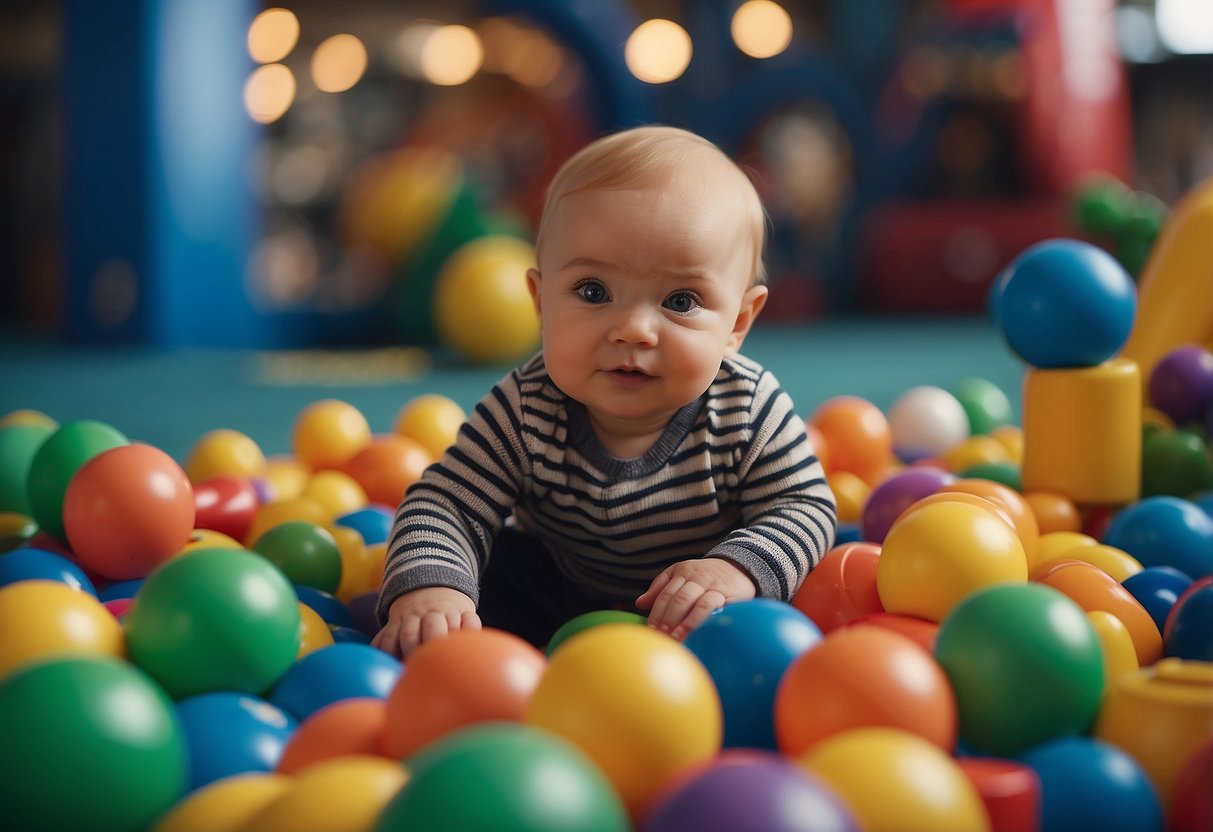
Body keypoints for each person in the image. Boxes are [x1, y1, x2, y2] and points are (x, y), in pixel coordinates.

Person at [372, 125, 836, 659]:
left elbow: (804, 506)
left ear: (737, 322)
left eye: (681, 301)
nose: (633, 329)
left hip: (699, 619)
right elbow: (446, 502)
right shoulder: (526, 406)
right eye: (594, 292)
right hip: (557, 598)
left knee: (775, 607)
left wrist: (734, 568)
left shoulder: (747, 406)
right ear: (541, 301)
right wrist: (434, 589)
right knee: (492, 565)